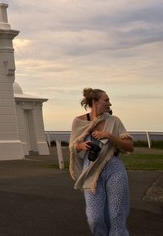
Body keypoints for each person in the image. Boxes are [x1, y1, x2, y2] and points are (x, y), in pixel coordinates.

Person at [69, 88, 134, 236]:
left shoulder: (114, 121)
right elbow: (73, 147)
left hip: (114, 168)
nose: (109, 104)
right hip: (90, 170)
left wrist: (109, 136)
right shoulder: (78, 122)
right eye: (106, 100)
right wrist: (81, 146)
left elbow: (129, 146)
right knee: (95, 218)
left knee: (116, 215)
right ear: (95, 102)